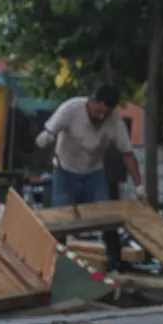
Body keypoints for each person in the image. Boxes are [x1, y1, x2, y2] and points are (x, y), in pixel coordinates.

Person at [36, 85, 145, 271]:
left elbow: (127, 153)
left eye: (106, 114)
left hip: (94, 172)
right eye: (97, 112)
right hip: (65, 170)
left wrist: (139, 185)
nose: (100, 118)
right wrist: (45, 138)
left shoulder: (115, 120)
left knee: (106, 217)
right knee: (60, 218)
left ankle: (115, 260)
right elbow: (50, 132)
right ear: (92, 102)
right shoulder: (70, 109)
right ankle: (55, 264)